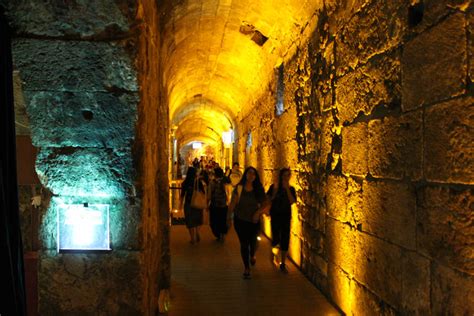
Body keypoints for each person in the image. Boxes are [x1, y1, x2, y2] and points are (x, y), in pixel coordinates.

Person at [228, 167, 269, 279]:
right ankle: (246, 267)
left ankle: (252, 255)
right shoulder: (239, 188)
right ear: (245, 174)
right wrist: (228, 217)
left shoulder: (258, 189)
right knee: (244, 243)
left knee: (254, 242)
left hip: (254, 221)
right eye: (249, 173)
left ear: (256, 177)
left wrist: (258, 213)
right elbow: (233, 203)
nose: (251, 175)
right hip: (240, 220)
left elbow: (265, 204)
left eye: (253, 174)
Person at [266, 168, 296, 273]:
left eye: (288, 175)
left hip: (286, 216)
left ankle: (283, 263)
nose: (286, 177)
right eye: (284, 175)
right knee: (276, 237)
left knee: (285, 238)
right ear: (280, 176)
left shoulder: (291, 189)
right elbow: (268, 199)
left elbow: (292, 201)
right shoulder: (273, 187)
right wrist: (275, 191)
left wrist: (287, 189)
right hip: (275, 215)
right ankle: (273, 254)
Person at [180, 166, 205, 244]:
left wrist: (180, 204)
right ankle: (197, 232)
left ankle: (192, 238)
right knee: (197, 219)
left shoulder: (185, 182)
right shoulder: (198, 182)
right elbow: (203, 192)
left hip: (188, 203)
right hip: (197, 203)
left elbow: (182, 194)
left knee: (190, 221)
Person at [208, 167, 230, 241]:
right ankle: (222, 235)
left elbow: (209, 195)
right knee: (223, 220)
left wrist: (207, 203)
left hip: (214, 204)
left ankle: (218, 234)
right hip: (223, 205)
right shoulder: (226, 182)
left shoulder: (212, 182)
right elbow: (228, 194)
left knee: (214, 220)